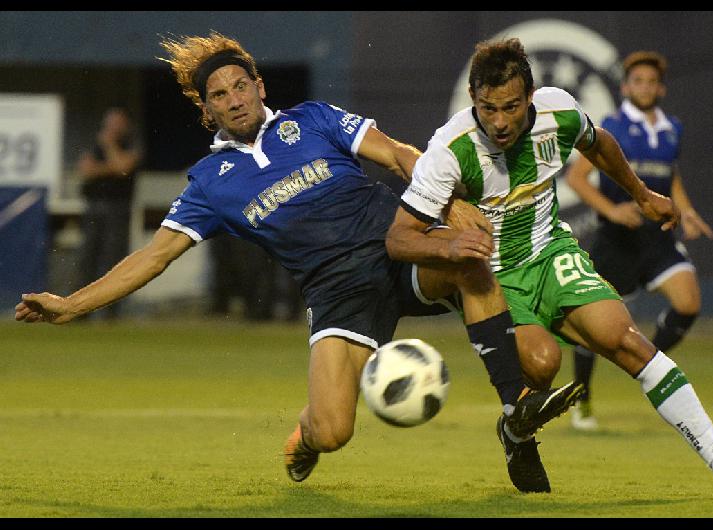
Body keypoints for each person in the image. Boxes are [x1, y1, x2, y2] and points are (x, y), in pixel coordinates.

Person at [14, 32, 581, 491]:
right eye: (220, 95)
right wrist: (70, 304)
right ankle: (304, 437)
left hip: (396, 250)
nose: (235, 99)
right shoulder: (211, 184)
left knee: (468, 262)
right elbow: (153, 258)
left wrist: (451, 204)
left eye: (242, 85)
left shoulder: (310, 119)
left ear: (259, 85)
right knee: (333, 430)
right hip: (338, 296)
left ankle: (516, 415)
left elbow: (398, 154)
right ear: (206, 109)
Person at [386, 38, 713, 497]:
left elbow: (600, 144)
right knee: (542, 364)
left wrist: (641, 194)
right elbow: (398, 238)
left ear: (530, 96)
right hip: (494, 277)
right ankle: (515, 433)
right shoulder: (450, 149)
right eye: (487, 108)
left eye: (510, 107)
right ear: (473, 98)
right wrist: (452, 248)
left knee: (626, 340)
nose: (499, 122)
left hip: (551, 252)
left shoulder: (559, 112)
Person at [564, 51, 713, 432]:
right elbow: (577, 178)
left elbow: (670, 177)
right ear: (625, 87)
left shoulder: (672, 128)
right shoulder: (610, 127)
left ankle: (651, 366)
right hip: (616, 241)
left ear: (660, 88)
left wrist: (687, 209)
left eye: (651, 82)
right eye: (638, 81)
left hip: (656, 238)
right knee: (590, 325)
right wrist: (612, 212)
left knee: (689, 302)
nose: (645, 88)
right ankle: (581, 400)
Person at [76, 107, 142, 319]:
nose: (111, 128)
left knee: (113, 260)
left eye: (116, 124)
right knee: (87, 259)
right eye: (109, 123)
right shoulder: (94, 145)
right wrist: (110, 167)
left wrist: (109, 147)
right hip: (94, 207)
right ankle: (80, 311)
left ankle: (110, 313)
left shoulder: (130, 144)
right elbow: (86, 170)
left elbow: (123, 168)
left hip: (117, 209)